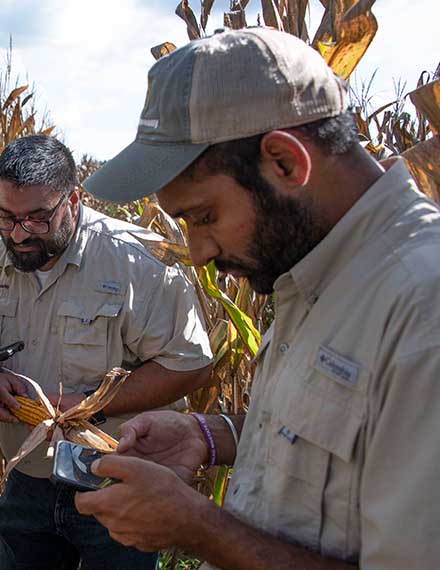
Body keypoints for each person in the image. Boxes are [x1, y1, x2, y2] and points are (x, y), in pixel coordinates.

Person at [75, 27, 440, 569]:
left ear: (286, 163)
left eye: (203, 217)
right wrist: (209, 435)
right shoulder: (307, 267)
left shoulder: (421, 310)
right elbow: (343, 437)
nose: (196, 253)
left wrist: (200, 528)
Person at [0, 134, 213, 570]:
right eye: (7, 217)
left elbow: (189, 366)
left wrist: (91, 405)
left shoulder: (136, 263)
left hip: (114, 482)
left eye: (37, 219)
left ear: (72, 200)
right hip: (28, 479)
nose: (19, 235)